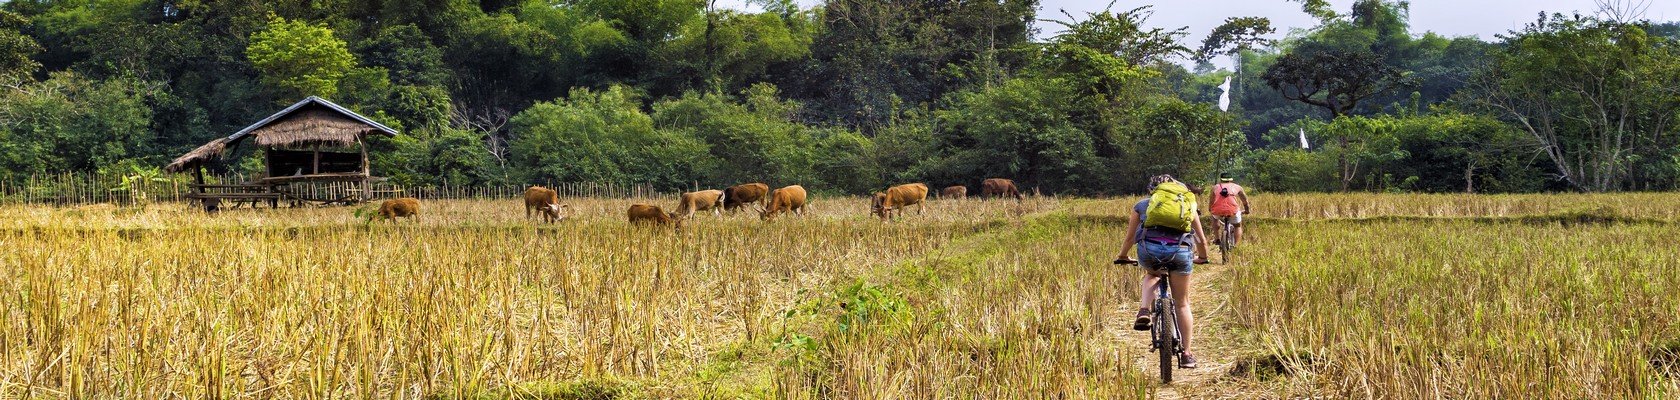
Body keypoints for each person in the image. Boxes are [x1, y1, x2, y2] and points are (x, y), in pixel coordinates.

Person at [1115, 174, 1211, 369]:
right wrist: (1202, 257)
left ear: (1152, 189)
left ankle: (1144, 309)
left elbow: (1130, 238)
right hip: (1181, 253)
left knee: (1151, 274)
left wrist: (1123, 256)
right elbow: (1201, 239)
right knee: (1182, 303)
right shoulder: (1187, 204)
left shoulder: (1142, 205)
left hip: (1149, 252)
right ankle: (1187, 354)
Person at [1209, 173, 1250, 245]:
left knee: (1214, 218)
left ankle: (1217, 238)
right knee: (1237, 226)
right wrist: (1247, 210)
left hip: (1217, 211)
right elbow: (1245, 201)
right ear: (1231, 179)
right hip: (1233, 210)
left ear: (1221, 179)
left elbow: (1211, 201)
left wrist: (1210, 209)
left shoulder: (1215, 187)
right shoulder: (1238, 187)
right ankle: (1236, 245)